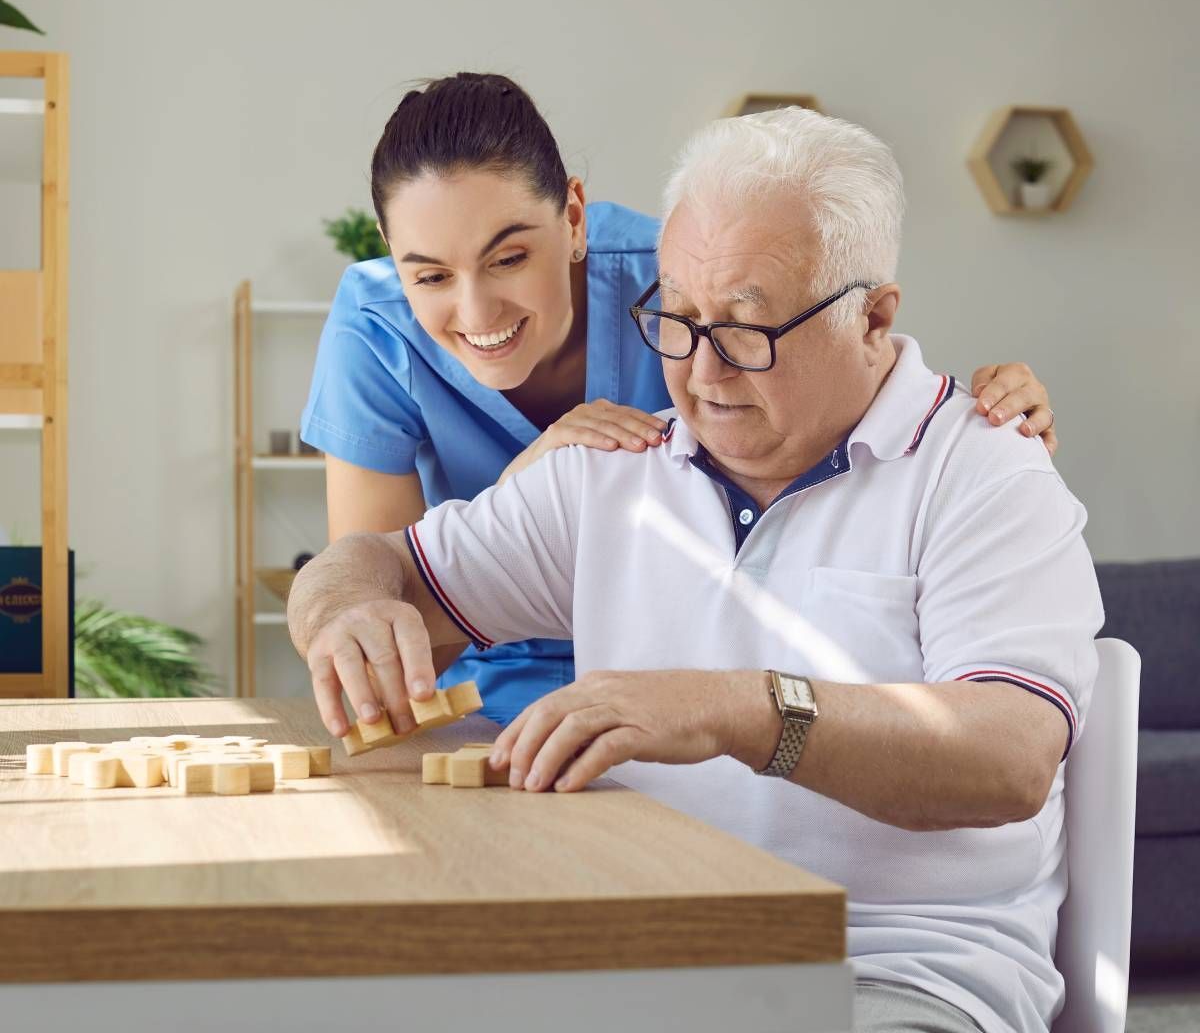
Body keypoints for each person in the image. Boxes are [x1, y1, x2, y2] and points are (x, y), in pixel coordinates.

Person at [289, 106, 1101, 1033]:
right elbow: (370, 565)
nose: (702, 375)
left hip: (886, 968)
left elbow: (1008, 758)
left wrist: (737, 710)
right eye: (675, 322)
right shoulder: (615, 470)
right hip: (636, 956)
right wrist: (344, 608)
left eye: (748, 332)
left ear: (873, 317)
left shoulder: (986, 468)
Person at [301, 72, 1060, 728]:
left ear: (573, 219)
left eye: (508, 257)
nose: (476, 312)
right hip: (492, 697)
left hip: (699, 695)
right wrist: (517, 490)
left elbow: (832, 351)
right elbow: (381, 606)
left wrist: (981, 419)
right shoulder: (383, 336)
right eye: (429, 275)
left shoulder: (684, 281)